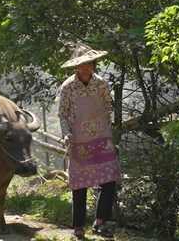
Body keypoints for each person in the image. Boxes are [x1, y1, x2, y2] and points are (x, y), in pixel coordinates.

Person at [58, 43, 121, 240]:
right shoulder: (68, 87)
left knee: (109, 179)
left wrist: (106, 130)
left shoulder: (101, 83)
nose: (86, 67)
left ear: (94, 64)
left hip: (101, 138)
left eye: (89, 64)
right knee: (80, 184)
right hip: (78, 140)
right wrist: (67, 134)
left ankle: (100, 221)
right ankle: (78, 226)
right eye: (82, 64)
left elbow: (108, 107)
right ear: (76, 66)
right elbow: (62, 114)